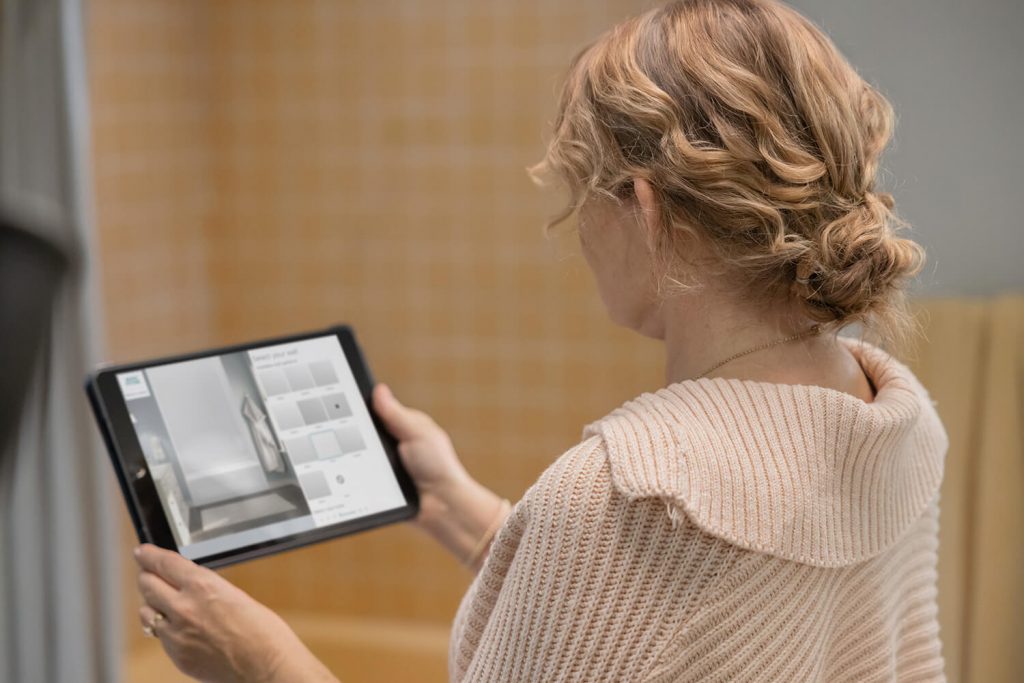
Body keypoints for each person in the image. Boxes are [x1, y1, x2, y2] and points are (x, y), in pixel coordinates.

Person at [132, 0, 948, 680]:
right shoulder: (898, 423)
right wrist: (472, 517)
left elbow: (654, 570)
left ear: (643, 209)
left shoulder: (625, 496)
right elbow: (694, 613)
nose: (578, 231)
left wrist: (261, 658)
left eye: (578, 193)